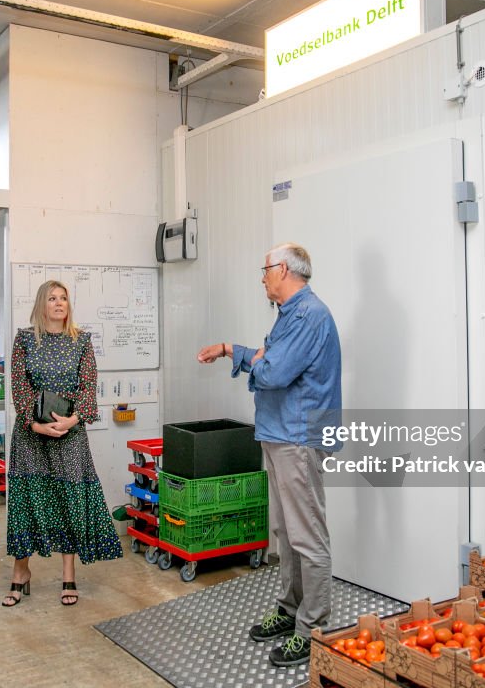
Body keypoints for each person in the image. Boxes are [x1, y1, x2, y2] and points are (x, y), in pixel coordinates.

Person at [196, 242, 341, 667]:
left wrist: (259, 360)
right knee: (285, 532)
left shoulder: (309, 315)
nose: (261, 278)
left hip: (298, 437)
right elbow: (271, 364)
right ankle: (290, 609)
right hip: (280, 434)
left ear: (284, 270)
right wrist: (235, 351)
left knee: (308, 536)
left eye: (265, 270)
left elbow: (275, 371)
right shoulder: (288, 316)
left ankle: (312, 629)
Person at [3, 280, 122, 607]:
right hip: (31, 437)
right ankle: (20, 572)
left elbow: (88, 385)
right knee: (26, 503)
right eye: (52, 298)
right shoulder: (25, 339)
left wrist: (72, 420)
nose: (59, 303)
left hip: (70, 435)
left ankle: (69, 575)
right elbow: (19, 386)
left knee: (68, 501)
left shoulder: (81, 340)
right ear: (42, 304)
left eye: (64, 298)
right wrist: (35, 424)